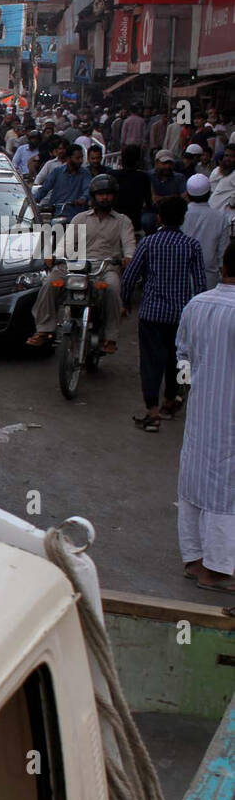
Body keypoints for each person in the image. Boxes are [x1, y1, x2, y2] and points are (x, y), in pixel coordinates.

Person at [174, 243, 235, 592]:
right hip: (228, 417)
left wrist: (190, 391)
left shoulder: (197, 304)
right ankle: (217, 570)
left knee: (195, 485)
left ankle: (194, 560)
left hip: (200, 412)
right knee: (225, 492)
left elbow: (182, 356)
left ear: (224, 266)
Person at [121, 196, 207, 433]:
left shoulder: (149, 243)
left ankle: (152, 413)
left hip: (152, 314)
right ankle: (172, 401)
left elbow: (130, 276)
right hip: (181, 314)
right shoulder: (192, 245)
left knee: (151, 363)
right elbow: (200, 283)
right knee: (178, 360)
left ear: (159, 217)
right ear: (183, 219)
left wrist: (125, 301)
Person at [27, 174, 135, 353]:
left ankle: (111, 337)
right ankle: (44, 330)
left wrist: (128, 257)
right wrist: (55, 257)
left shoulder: (123, 221)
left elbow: (130, 246)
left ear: (114, 196)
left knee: (113, 288)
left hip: (106, 267)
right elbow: (67, 244)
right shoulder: (80, 218)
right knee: (49, 282)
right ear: (93, 196)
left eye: (108, 194)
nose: (104, 197)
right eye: (101, 194)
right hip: (76, 266)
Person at [180, 174, 232, 290]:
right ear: (209, 193)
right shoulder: (220, 217)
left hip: (181, 276)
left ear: (187, 194)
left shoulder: (180, 215)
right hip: (209, 279)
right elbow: (222, 253)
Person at [33, 143, 90, 219]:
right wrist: (34, 200)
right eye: (77, 158)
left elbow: (87, 189)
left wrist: (82, 199)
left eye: (81, 158)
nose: (81, 161)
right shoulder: (57, 172)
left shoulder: (85, 173)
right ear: (69, 158)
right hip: (56, 213)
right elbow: (45, 188)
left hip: (76, 216)